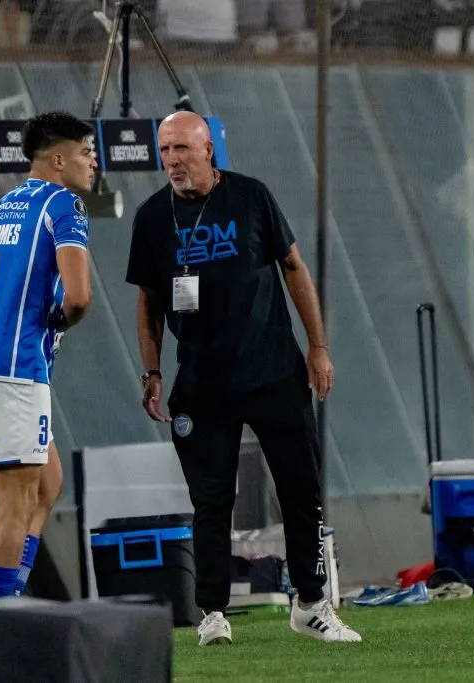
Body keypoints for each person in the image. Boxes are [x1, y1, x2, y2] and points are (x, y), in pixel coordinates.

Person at [124, 110, 361, 646]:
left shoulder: (252, 197)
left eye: (181, 149)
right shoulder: (151, 218)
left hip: (274, 370)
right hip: (203, 383)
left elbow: (294, 268)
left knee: (301, 488)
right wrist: (153, 369)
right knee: (211, 499)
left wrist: (317, 348)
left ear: (208, 149)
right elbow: (148, 303)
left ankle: (310, 604)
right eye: (164, 152)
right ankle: (211, 611)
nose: (172, 161)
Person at [0, 111, 95, 602]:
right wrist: (54, 325)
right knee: (15, 502)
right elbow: (78, 298)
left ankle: (10, 601)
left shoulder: (0, 210)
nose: (92, 161)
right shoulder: (64, 205)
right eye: (84, 152)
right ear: (58, 159)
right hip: (15, 370)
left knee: (47, 484)